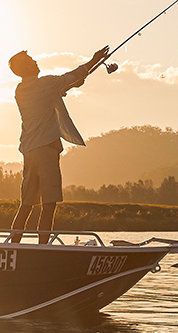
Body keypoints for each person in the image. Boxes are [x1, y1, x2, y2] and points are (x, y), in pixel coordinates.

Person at [9, 46, 110, 243]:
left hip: (29, 151)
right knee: (49, 203)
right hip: (46, 150)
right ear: (26, 68)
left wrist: (80, 77)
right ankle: (43, 248)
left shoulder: (21, 90)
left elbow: (67, 84)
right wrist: (93, 60)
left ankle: (13, 245)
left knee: (27, 204)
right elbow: (69, 78)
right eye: (31, 60)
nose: (36, 62)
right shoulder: (44, 84)